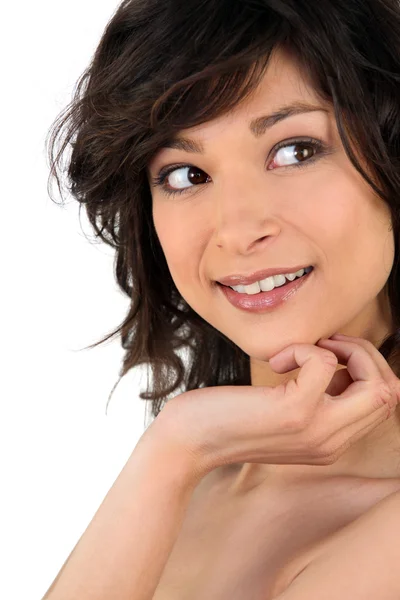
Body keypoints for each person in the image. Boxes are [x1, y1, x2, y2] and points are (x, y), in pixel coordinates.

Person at [43, 0, 400, 598]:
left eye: (296, 151)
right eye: (186, 174)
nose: (236, 230)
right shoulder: (189, 473)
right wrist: (176, 449)